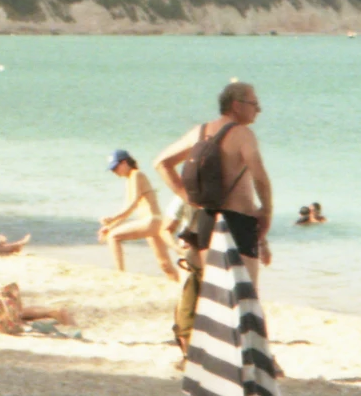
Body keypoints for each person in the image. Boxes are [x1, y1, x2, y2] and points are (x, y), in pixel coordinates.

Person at [153, 80, 272, 283]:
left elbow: (162, 163)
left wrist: (188, 198)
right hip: (238, 221)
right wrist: (266, 210)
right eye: (254, 104)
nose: (259, 110)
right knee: (245, 293)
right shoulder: (243, 134)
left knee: (215, 294)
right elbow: (260, 177)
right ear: (236, 105)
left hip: (206, 219)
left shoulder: (199, 132)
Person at [98, 149, 178, 279]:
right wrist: (110, 225)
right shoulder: (130, 179)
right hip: (155, 222)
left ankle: (119, 273)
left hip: (150, 221)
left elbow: (133, 204)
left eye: (115, 168)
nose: (114, 172)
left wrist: (112, 219)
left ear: (124, 163)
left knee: (113, 237)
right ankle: (179, 285)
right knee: (164, 264)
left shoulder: (136, 174)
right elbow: (128, 210)